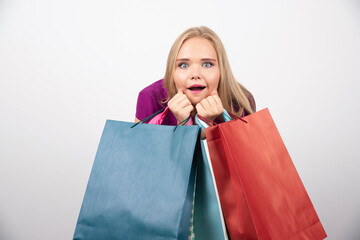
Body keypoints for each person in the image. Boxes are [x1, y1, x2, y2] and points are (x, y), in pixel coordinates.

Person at [135, 26, 256, 128]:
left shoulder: (241, 102)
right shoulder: (150, 98)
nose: (195, 75)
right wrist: (184, 126)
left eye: (207, 64)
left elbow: (244, 155)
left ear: (221, 70)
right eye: (183, 65)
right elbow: (141, 154)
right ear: (172, 72)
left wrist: (207, 126)